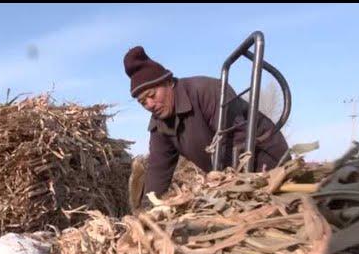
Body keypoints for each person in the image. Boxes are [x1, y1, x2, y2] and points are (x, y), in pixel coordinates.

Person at [124, 45, 289, 201]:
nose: (149, 105)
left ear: (169, 82)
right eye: (143, 102)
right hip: (228, 179)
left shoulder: (207, 92)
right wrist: (149, 208)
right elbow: (158, 170)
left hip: (267, 164)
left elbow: (238, 143)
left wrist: (225, 186)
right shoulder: (159, 123)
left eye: (152, 95)